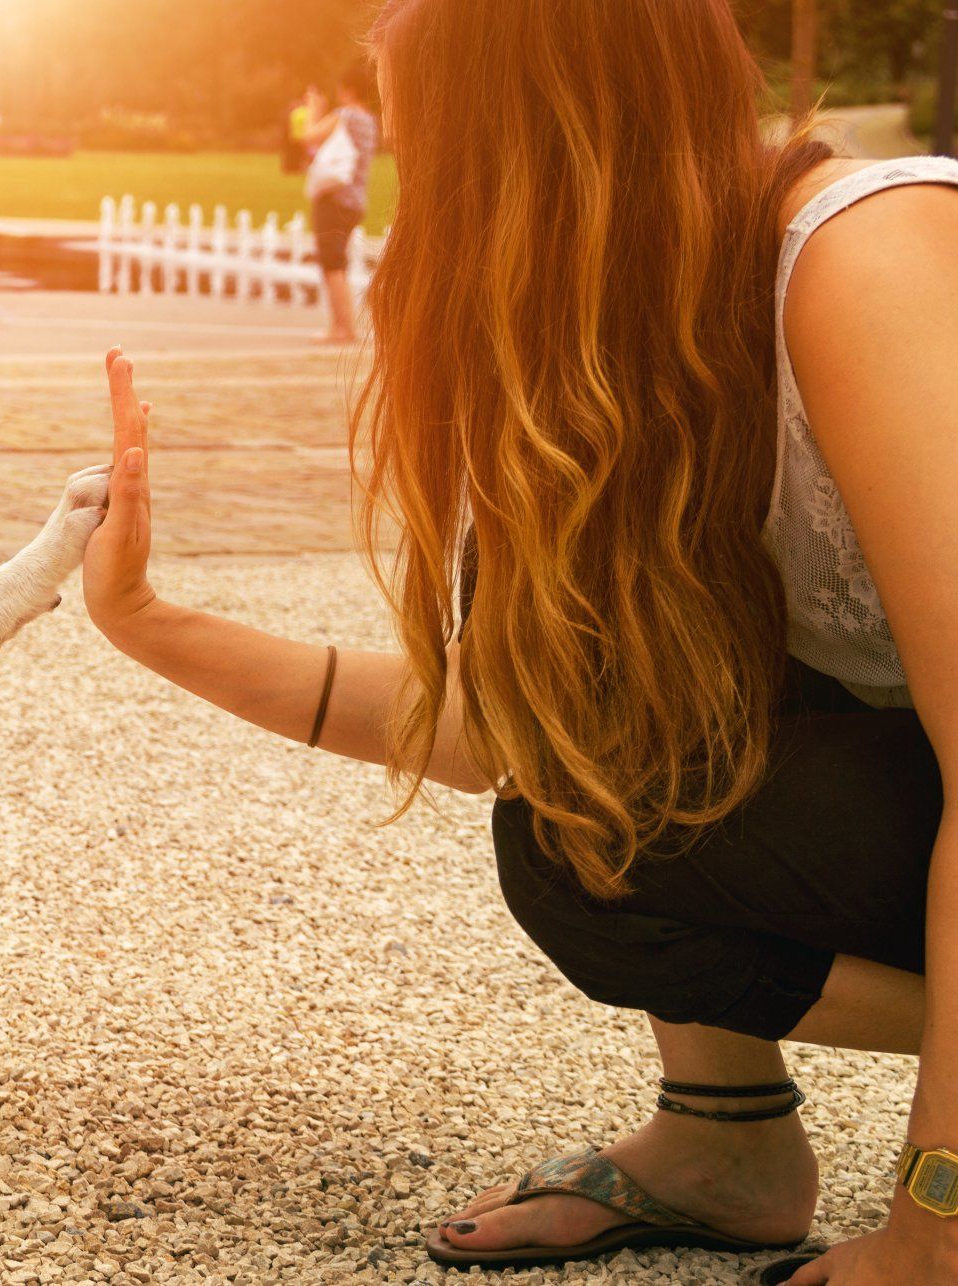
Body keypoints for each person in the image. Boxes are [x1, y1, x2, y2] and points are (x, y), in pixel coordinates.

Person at [80, 0, 958, 1281]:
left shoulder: (866, 258)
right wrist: (148, 622)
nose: (410, 212)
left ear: (539, 150)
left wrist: (935, 1225)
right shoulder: (648, 363)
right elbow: (515, 740)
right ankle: (727, 1146)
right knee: (580, 830)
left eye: (429, 159)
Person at [303, 65, 378, 344]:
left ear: (348, 90)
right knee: (338, 263)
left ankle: (343, 327)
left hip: (335, 198)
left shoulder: (344, 115)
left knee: (332, 263)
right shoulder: (370, 121)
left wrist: (314, 108)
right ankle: (341, 326)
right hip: (356, 200)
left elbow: (309, 135)